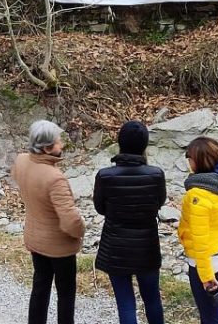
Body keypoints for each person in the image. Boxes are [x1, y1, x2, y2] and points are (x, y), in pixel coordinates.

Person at [94, 121, 166, 324]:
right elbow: (158, 203)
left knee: (125, 303)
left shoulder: (105, 175)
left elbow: (100, 208)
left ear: (120, 142)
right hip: (147, 247)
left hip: (115, 248)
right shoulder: (156, 174)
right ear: (145, 144)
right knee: (152, 300)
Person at [13, 119, 85, 324]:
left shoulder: (21, 161)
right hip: (59, 246)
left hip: (35, 238)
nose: (61, 144)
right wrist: (81, 229)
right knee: (66, 292)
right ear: (46, 148)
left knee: (40, 286)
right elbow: (70, 221)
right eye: (58, 141)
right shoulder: (55, 178)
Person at [177, 136, 218, 324]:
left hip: (208, 259)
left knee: (211, 316)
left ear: (197, 162)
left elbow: (200, 240)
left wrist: (206, 277)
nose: (188, 162)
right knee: (210, 312)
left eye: (189, 158)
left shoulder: (198, 195)